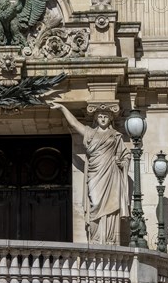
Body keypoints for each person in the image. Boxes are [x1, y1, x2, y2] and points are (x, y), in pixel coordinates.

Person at [51, 102, 131, 245]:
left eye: (106, 116)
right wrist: (63, 108)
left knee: (111, 207)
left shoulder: (116, 136)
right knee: (95, 204)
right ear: (96, 119)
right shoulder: (90, 133)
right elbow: (75, 124)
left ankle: (109, 239)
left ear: (110, 119)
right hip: (95, 175)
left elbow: (125, 154)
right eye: (100, 116)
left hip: (111, 174)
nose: (103, 119)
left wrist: (122, 162)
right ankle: (95, 239)